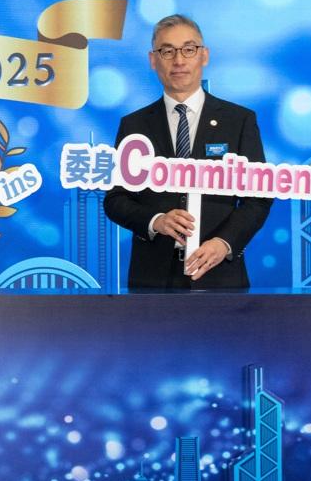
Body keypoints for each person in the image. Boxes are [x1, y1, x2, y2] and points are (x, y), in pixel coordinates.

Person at [104, 14, 271, 288]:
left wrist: (223, 243)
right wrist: (155, 221)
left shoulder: (239, 121)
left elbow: (258, 199)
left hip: (221, 276)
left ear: (204, 56)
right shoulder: (133, 125)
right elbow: (115, 200)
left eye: (188, 49)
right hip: (152, 277)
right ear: (153, 59)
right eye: (167, 51)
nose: (178, 61)